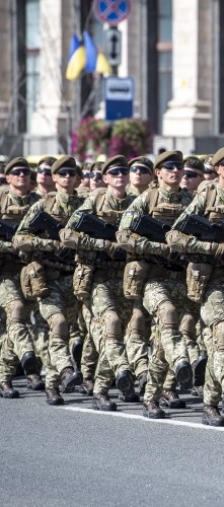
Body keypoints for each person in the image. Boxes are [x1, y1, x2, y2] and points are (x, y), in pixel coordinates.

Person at [167, 146, 224, 427]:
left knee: (223, 342)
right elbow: (175, 235)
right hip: (212, 278)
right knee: (223, 331)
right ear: (216, 168)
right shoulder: (206, 195)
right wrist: (211, 248)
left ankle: (211, 404)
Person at [116, 150, 194, 420]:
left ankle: (151, 398)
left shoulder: (191, 202)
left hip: (182, 279)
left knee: (162, 341)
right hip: (152, 277)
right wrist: (158, 248)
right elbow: (123, 235)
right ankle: (183, 360)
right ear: (158, 173)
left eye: (179, 167)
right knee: (167, 313)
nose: (175, 171)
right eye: (169, 167)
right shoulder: (145, 200)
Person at [60, 155, 138, 410]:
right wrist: (102, 244)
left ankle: (102, 388)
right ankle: (121, 370)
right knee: (111, 323)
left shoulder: (135, 203)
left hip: (125, 277)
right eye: (114, 172)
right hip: (98, 277)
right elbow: (67, 235)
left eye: (123, 171)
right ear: (105, 178)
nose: (120, 176)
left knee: (115, 333)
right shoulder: (95, 200)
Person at [13, 155, 85, 405]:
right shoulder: (42, 206)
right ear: (54, 177)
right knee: (58, 323)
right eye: (62, 173)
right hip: (49, 279)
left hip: (77, 280)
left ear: (77, 178)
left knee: (70, 332)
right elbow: (19, 238)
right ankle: (66, 370)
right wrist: (51, 244)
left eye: (71, 173)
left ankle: (54, 383)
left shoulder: (87, 205)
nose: (67, 177)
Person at [0, 157, 42, 399]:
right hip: (6, 271)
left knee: (18, 323)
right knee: (16, 311)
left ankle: (3, 376)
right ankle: (27, 355)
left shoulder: (39, 203)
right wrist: (12, 247)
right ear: (8, 177)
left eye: (25, 172)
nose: (22, 176)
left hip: (31, 271)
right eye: (16, 172)